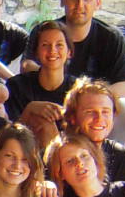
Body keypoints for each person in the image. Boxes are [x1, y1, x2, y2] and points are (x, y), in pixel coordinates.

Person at [57, 0, 125, 144]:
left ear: (98, 3)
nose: (80, 5)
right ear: (62, 0)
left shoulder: (111, 37)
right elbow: (29, 69)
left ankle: (112, 156)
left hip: (97, 114)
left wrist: (85, 102)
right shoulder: (47, 33)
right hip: (57, 109)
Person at [4, 20, 73, 149]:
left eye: (59, 45)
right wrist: (29, 110)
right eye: (45, 45)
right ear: (36, 52)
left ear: (69, 52)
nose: (52, 50)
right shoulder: (16, 86)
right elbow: (8, 136)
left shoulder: (77, 91)